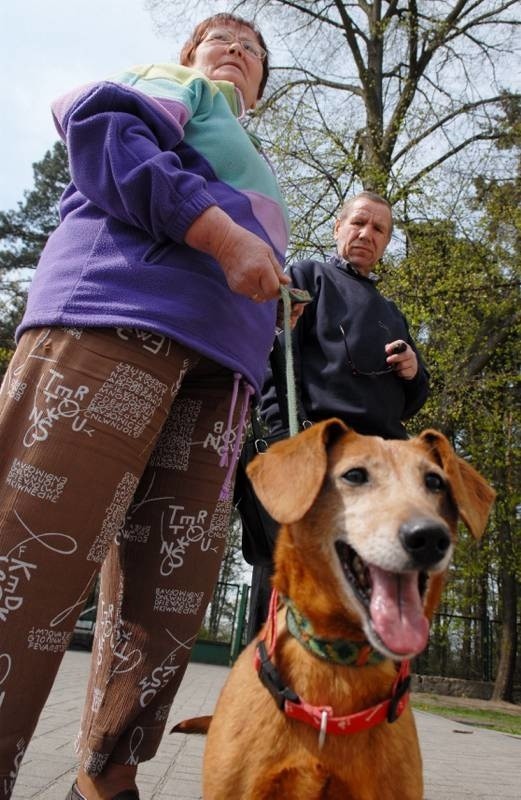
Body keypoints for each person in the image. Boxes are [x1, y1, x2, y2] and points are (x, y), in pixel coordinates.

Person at [0, 13, 290, 800]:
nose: (236, 52)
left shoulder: (254, 156)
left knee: (170, 587)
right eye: (220, 40)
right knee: (32, 551)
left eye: (253, 52)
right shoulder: (176, 86)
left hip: (220, 373)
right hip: (118, 314)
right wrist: (223, 237)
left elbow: (248, 250)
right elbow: (99, 129)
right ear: (190, 54)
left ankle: (108, 773)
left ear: (261, 88)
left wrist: (272, 300)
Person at [246, 191, 430, 639]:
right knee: (286, 572)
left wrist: (413, 371)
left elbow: (410, 402)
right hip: (317, 450)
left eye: (379, 229)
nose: (367, 234)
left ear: (386, 244)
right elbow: (277, 364)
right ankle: (263, 680)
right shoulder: (308, 278)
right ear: (338, 227)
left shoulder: (392, 313)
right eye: (359, 223)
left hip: (382, 466)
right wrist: (288, 444)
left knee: (370, 576)